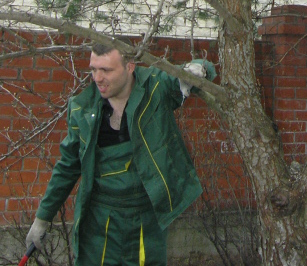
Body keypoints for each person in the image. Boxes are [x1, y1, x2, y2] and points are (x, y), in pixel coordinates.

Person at [25, 43, 216, 266]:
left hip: (146, 219)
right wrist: (42, 219)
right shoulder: (81, 109)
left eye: (106, 70)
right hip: (99, 219)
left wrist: (197, 70)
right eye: (93, 69)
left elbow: (204, 70)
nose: (97, 78)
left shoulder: (155, 87)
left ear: (130, 67)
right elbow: (68, 166)